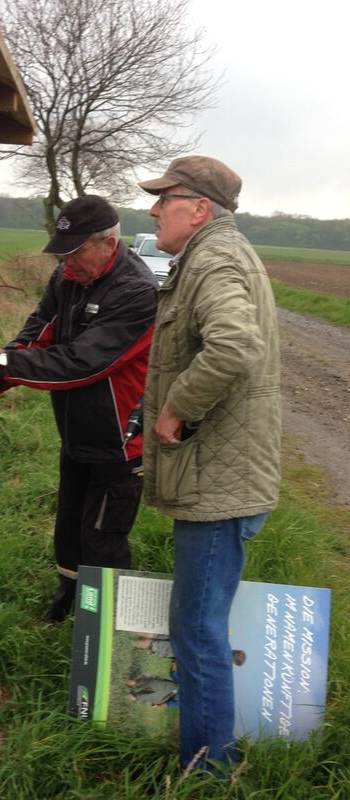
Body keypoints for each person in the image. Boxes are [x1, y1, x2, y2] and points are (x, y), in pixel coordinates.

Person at [0, 196, 158, 621]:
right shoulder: (68, 277)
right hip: (77, 433)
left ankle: (106, 641)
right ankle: (67, 607)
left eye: (74, 251)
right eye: (61, 253)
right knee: (69, 532)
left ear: (107, 244)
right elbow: (38, 331)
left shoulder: (137, 292)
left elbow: (85, 363)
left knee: (102, 541)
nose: (66, 263)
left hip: (120, 444)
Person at [138, 156, 281, 770]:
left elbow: (234, 345)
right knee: (198, 625)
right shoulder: (209, 256)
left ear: (199, 208)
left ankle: (209, 766)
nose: (151, 209)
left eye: (163, 198)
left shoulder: (216, 258)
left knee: (197, 629)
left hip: (219, 485)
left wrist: (174, 408)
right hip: (216, 476)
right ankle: (209, 755)